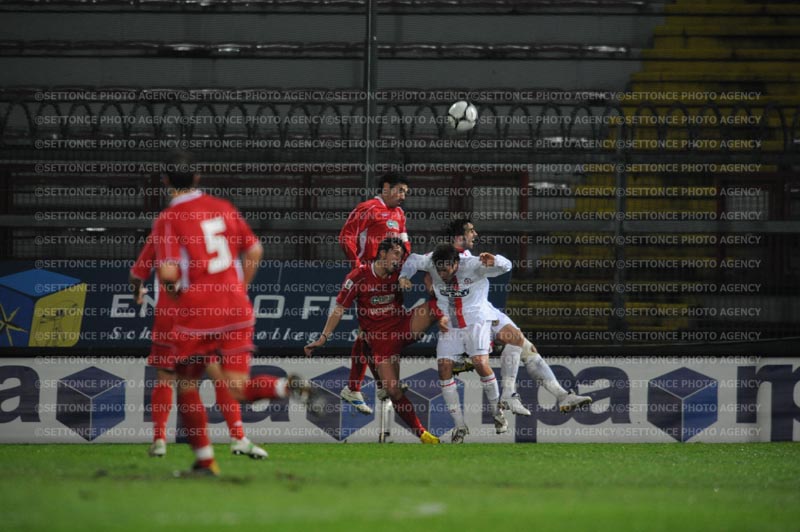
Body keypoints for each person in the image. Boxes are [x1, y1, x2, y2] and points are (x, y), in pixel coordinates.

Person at [152, 152, 317, 475]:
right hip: (237, 306)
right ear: (197, 179)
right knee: (238, 386)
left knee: (186, 383)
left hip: (199, 310)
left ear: (166, 182)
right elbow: (254, 249)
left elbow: (169, 274)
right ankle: (285, 387)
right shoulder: (223, 207)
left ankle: (205, 461)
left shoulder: (168, 219)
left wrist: (179, 297)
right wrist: (239, 287)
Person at [130, 234, 268, 459]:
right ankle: (238, 436)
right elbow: (246, 254)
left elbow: (138, 274)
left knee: (166, 378)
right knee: (218, 375)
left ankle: (159, 440)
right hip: (198, 315)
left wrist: (138, 291)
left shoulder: (162, 235)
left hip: (168, 317)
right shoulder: (206, 234)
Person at [304, 237, 440, 444]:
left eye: (401, 255)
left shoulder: (401, 270)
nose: (399, 259)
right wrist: (323, 338)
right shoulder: (358, 277)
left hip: (403, 326)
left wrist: (428, 284)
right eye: (396, 254)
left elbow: (427, 264)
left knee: (437, 306)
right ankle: (423, 434)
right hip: (382, 341)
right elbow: (339, 309)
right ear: (382, 253)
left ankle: (460, 349)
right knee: (393, 390)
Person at [401, 243, 512, 443]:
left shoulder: (473, 265)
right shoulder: (432, 262)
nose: (441, 274)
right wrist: (403, 276)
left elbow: (507, 266)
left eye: (445, 270)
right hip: (450, 323)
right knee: (444, 368)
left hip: (476, 320)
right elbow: (413, 259)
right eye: (438, 270)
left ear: (455, 264)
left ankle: (497, 414)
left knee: (480, 362)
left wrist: (495, 259)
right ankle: (460, 427)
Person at [337, 173, 411, 415]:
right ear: (386, 188)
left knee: (376, 332)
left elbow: (405, 245)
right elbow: (346, 236)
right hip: (369, 277)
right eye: (400, 190)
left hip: (390, 278)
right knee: (369, 331)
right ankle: (370, 385)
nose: (403, 196)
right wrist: (358, 267)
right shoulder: (367, 208)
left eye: (405, 192)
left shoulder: (399, 215)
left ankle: (367, 386)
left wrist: (403, 270)